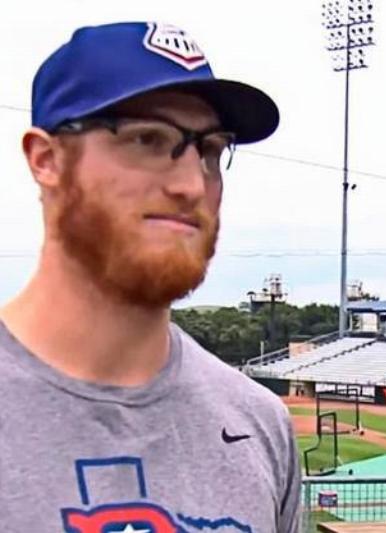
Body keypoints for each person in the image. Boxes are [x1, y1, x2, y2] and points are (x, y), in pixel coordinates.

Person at [0, 22, 300, 531]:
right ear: (46, 159)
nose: (190, 184)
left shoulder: (259, 422)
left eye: (208, 151)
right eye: (146, 139)